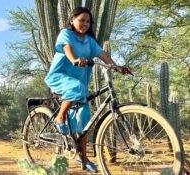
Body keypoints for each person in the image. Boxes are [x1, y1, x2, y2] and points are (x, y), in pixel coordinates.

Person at [44, 7, 132, 173]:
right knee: (76, 88)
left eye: (87, 21)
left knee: (84, 123)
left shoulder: (90, 41)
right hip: (59, 77)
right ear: (72, 20)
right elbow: (67, 48)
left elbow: (103, 54)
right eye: (81, 20)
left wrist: (118, 67)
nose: (84, 23)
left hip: (78, 86)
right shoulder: (66, 34)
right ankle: (60, 117)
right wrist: (75, 60)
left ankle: (83, 159)